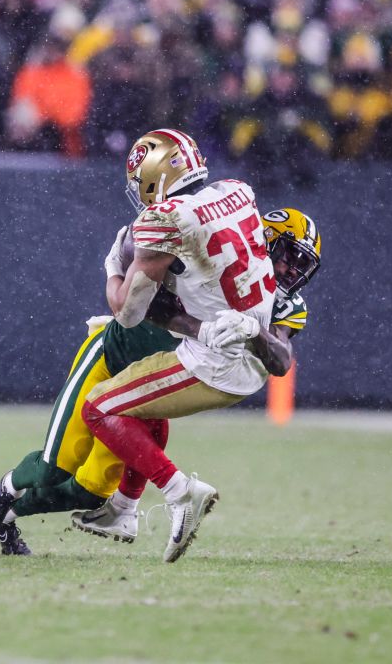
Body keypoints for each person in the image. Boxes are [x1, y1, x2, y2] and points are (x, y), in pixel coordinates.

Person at [0, 207, 321, 556]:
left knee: (89, 491)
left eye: (301, 264)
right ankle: (5, 489)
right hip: (112, 359)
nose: (292, 269)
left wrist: (254, 330)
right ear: (264, 240)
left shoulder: (279, 301)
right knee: (54, 467)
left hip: (148, 377)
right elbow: (144, 301)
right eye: (290, 256)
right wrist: (118, 271)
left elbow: (280, 359)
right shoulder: (213, 260)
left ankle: (13, 514)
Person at [87, 129, 304, 562]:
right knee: (139, 405)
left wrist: (114, 268)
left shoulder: (163, 219)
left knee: (100, 407)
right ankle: (123, 510)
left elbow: (127, 312)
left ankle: (180, 492)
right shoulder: (238, 191)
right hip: (248, 344)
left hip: (217, 362)